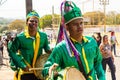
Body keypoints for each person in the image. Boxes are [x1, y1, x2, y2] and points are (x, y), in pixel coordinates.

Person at [42, 1, 105, 80]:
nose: (79, 26)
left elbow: (98, 63)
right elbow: (46, 69)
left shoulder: (92, 42)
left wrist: (102, 78)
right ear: (67, 27)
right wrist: (50, 71)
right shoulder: (61, 48)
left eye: (81, 23)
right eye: (75, 24)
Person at [8, 10, 52, 80]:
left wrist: (53, 51)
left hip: (38, 71)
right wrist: (22, 65)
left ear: (38, 24)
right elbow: (12, 52)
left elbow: (47, 49)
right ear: (26, 22)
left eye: (36, 21)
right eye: (31, 21)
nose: (33, 23)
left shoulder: (43, 36)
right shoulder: (20, 38)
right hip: (25, 72)